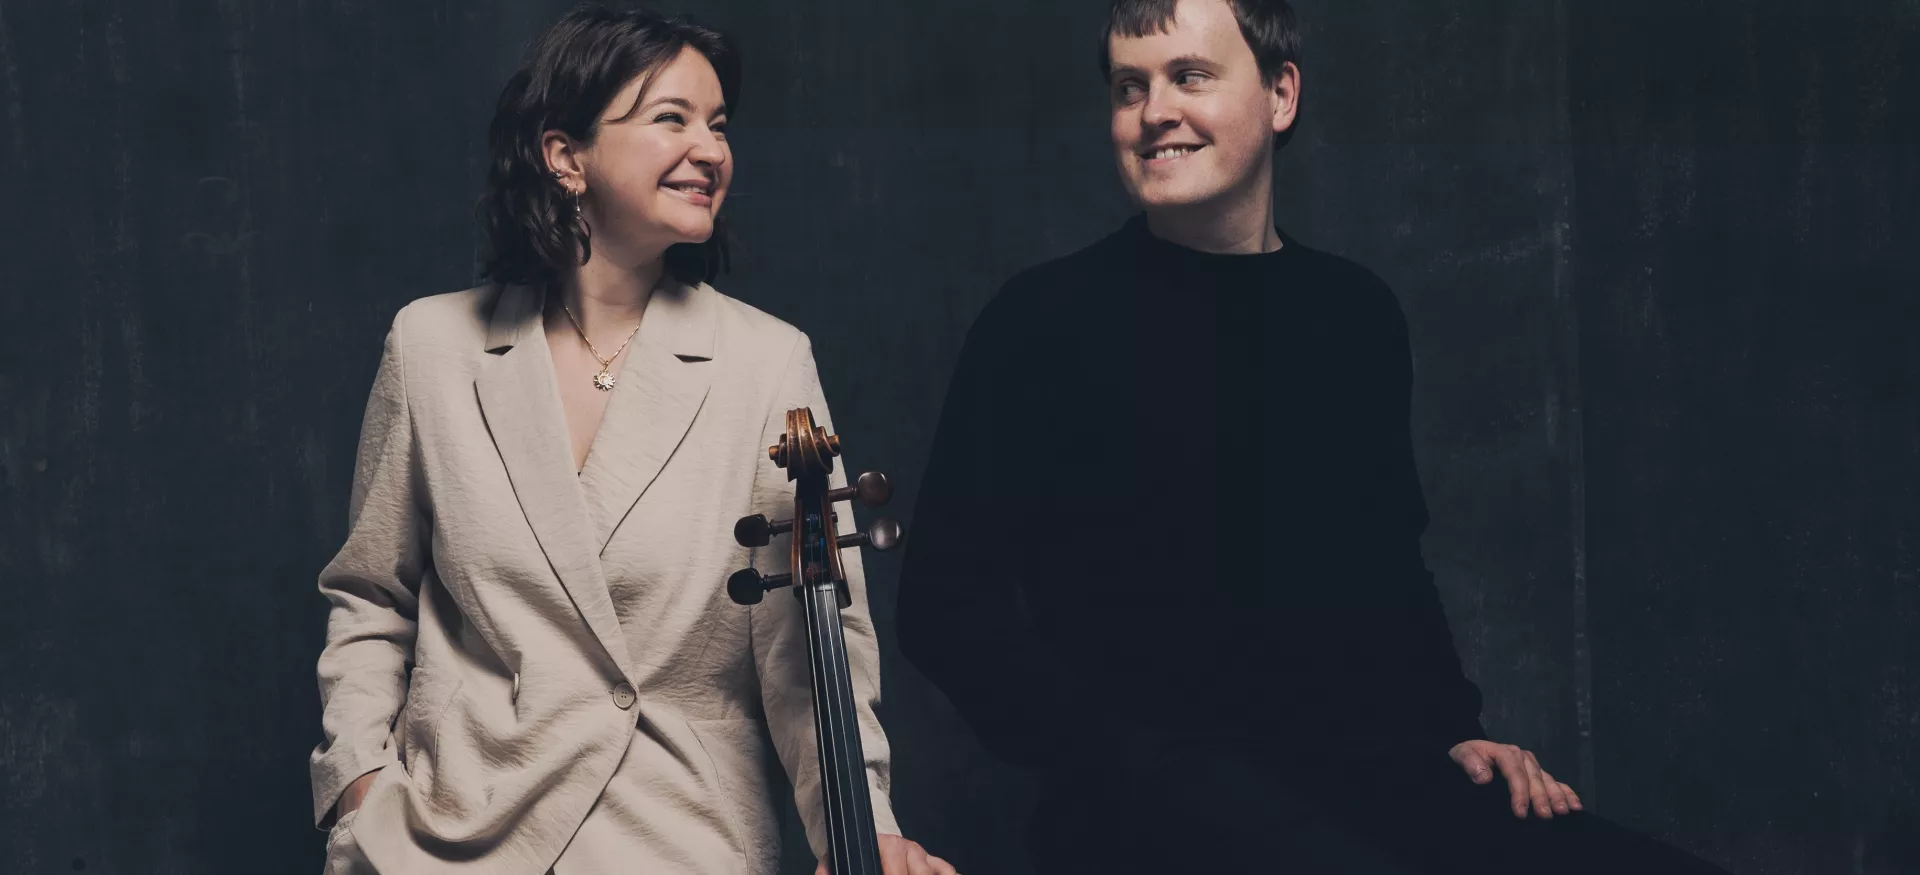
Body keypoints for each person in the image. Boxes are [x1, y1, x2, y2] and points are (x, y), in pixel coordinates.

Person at [895, 0, 1731, 872]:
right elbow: (946, 607)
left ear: (1281, 94)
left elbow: (1386, 562)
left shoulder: (1354, 314)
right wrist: (1134, 765)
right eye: (1128, 87)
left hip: (1369, 783)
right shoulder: (1041, 321)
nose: (1153, 112)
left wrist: (1454, 728)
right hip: (1144, 814)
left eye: (1190, 76)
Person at [309, 6, 954, 874]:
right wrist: (359, 783)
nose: (711, 149)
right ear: (564, 155)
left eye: (719, 125)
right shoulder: (432, 347)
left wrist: (863, 825)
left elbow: (813, 649)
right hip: (452, 841)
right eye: (671, 119)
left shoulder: (767, 361)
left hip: (681, 838)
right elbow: (371, 594)